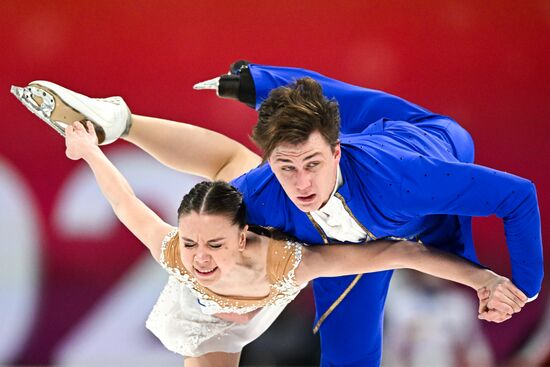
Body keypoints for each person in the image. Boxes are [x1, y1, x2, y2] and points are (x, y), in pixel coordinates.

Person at [11, 63, 542, 366]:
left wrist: (509, 283)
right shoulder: (245, 209)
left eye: (312, 164)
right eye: (288, 167)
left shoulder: (298, 251)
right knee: (239, 172)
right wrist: (97, 146)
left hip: (415, 154)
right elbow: (128, 203)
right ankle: (120, 118)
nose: (301, 184)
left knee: (320, 123)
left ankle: (129, 115)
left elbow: (496, 206)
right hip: (220, 311)